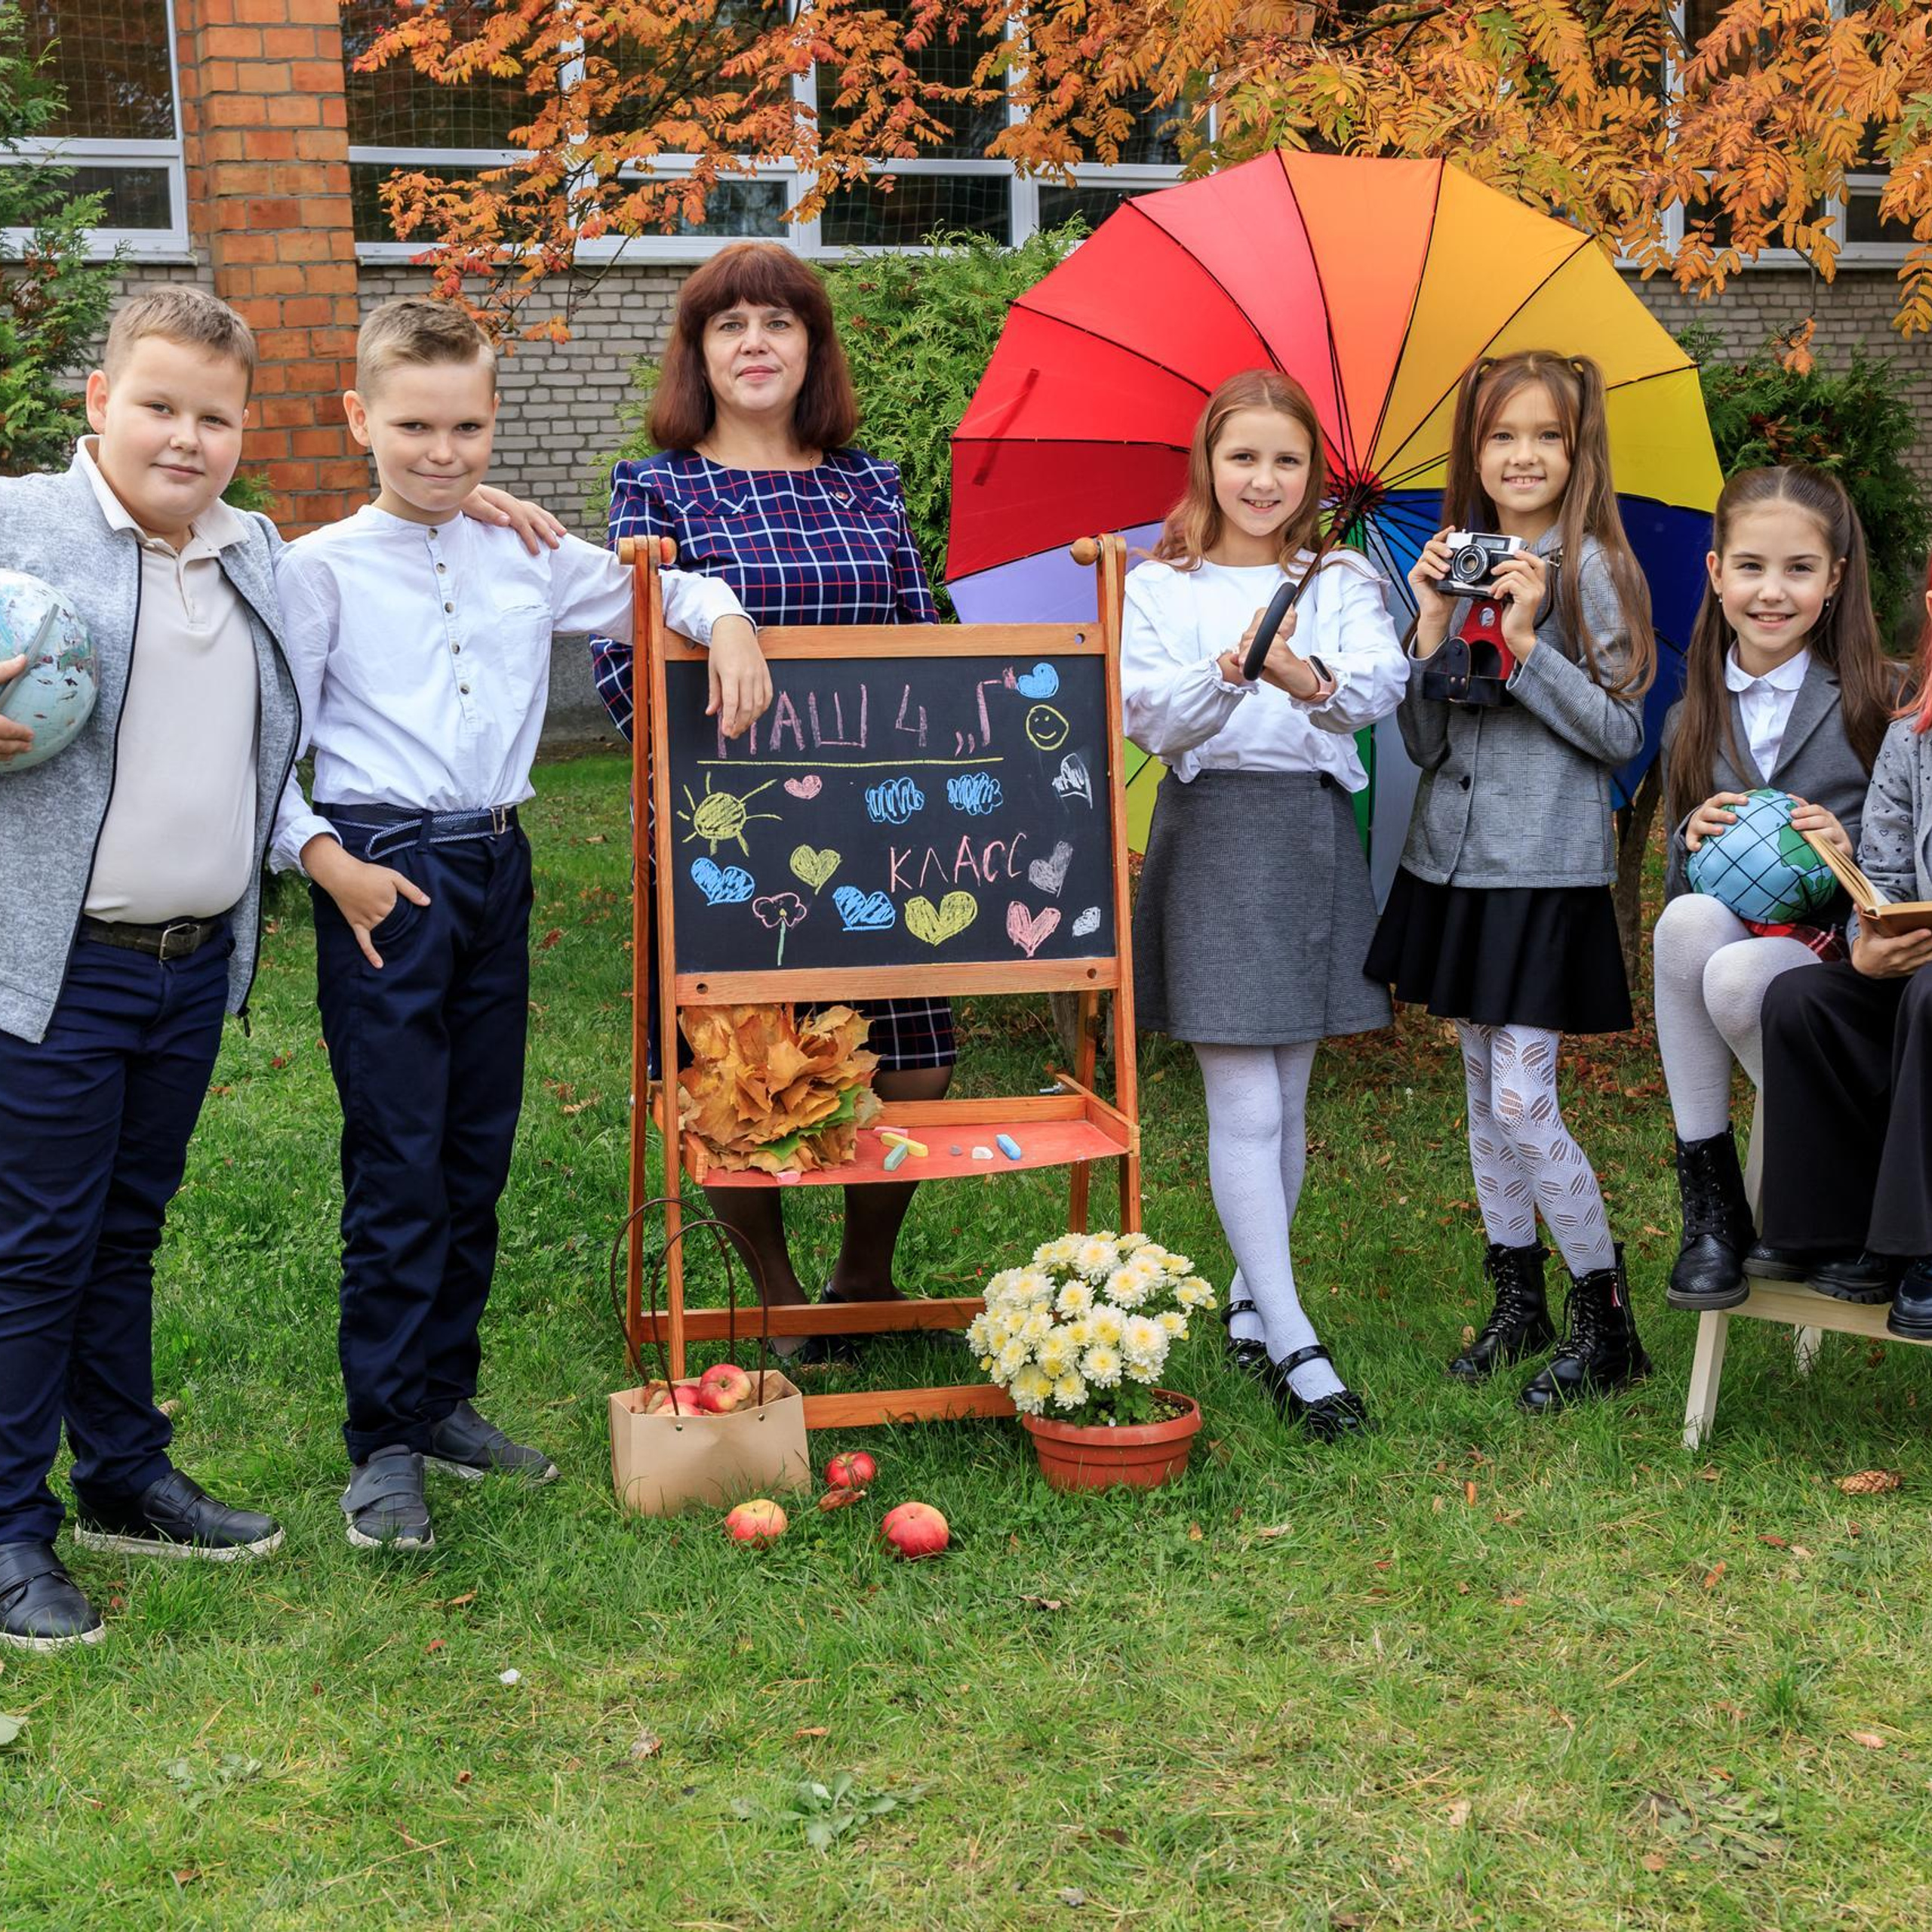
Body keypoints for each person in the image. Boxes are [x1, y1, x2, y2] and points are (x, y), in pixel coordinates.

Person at [271, 298, 764, 1552]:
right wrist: (326, 862)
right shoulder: (316, 572)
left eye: (470, 428)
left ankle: (443, 1399)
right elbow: (257, 746)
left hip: (497, 867)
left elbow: (665, 590)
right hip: (384, 874)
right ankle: (381, 1440)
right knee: (399, 1158)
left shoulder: (523, 552)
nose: (445, 454)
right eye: (416, 427)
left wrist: (730, 622)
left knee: (475, 1149)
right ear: (359, 419)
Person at [590, 241, 951, 1358]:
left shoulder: (869, 483)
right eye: (730, 324)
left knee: (918, 1063)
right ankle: (777, 1292)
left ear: (812, 349)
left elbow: (922, 634)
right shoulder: (658, 488)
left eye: (780, 323)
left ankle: (864, 1275)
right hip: (729, 827)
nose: (756, 342)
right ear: (699, 352)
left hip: (877, 819)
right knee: (731, 1069)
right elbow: (619, 659)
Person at [1362, 349, 1657, 1411]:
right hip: (1452, 862)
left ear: (1578, 452)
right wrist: (1431, 624)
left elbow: (1621, 731)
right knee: (1484, 1095)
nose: (1523, 456)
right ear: (1473, 453)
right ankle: (1517, 1298)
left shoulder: (1594, 570)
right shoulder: (1452, 565)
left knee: (1530, 1100)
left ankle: (1605, 1317)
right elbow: (1425, 741)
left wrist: (1528, 644)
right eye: (1502, 437)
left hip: (1542, 867)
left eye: (1547, 437)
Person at [1122, 371, 1406, 1439]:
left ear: (1313, 475)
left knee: (1288, 1094)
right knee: (1243, 1101)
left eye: (1288, 460)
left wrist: (1303, 675)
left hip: (1311, 836)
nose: (1264, 479)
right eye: (1244, 456)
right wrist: (1230, 673)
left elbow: (1379, 688)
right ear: (1209, 462)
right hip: (1215, 838)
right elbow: (1151, 719)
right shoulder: (1162, 584)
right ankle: (1293, 1339)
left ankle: (1250, 1303)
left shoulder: (1337, 578)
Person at [1653, 466, 1890, 1311]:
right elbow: (1692, 886)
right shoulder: (1690, 718)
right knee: (1688, 925)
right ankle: (1712, 1206)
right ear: (1715, 573)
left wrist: (1848, 848)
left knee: (1740, 973)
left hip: (1846, 972)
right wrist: (1692, 838)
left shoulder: (1881, 700)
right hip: (1743, 959)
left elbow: (1909, 865)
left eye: (1798, 569)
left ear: (1833, 579)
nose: (1771, 591)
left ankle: (1858, 1180)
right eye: (1750, 567)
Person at [1755, 559, 1932, 1332]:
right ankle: (1830, 1232)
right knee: (1802, 999)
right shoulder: (1912, 738)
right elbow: (1888, 872)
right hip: (1920, 955)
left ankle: (1917, 1247)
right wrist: (1867, 942)